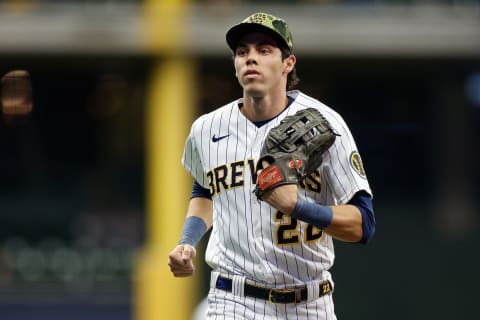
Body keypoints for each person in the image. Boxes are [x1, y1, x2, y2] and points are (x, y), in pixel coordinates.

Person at [168, 12, 375, 320]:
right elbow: (205, 188)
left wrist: (297, 207)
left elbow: (363, 225)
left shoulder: (326, 125)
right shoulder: (206, 128)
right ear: (236, 64)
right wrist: (187, 242)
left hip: (310, 302)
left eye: (264, 50)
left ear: (287, 64)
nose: (251, 58)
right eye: (243, 52)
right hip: (233, 299)